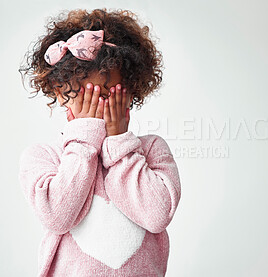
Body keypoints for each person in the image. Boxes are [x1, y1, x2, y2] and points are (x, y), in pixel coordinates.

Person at [18, 8, 181, 276]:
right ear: (60, 92)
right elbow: (57, 216)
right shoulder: (43, 157)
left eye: (107, 94)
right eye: (87, 96)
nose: (96, 107)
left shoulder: (151, 149)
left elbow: (157, 216)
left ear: (130, 94)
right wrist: (83, 139)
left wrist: (120, 143)